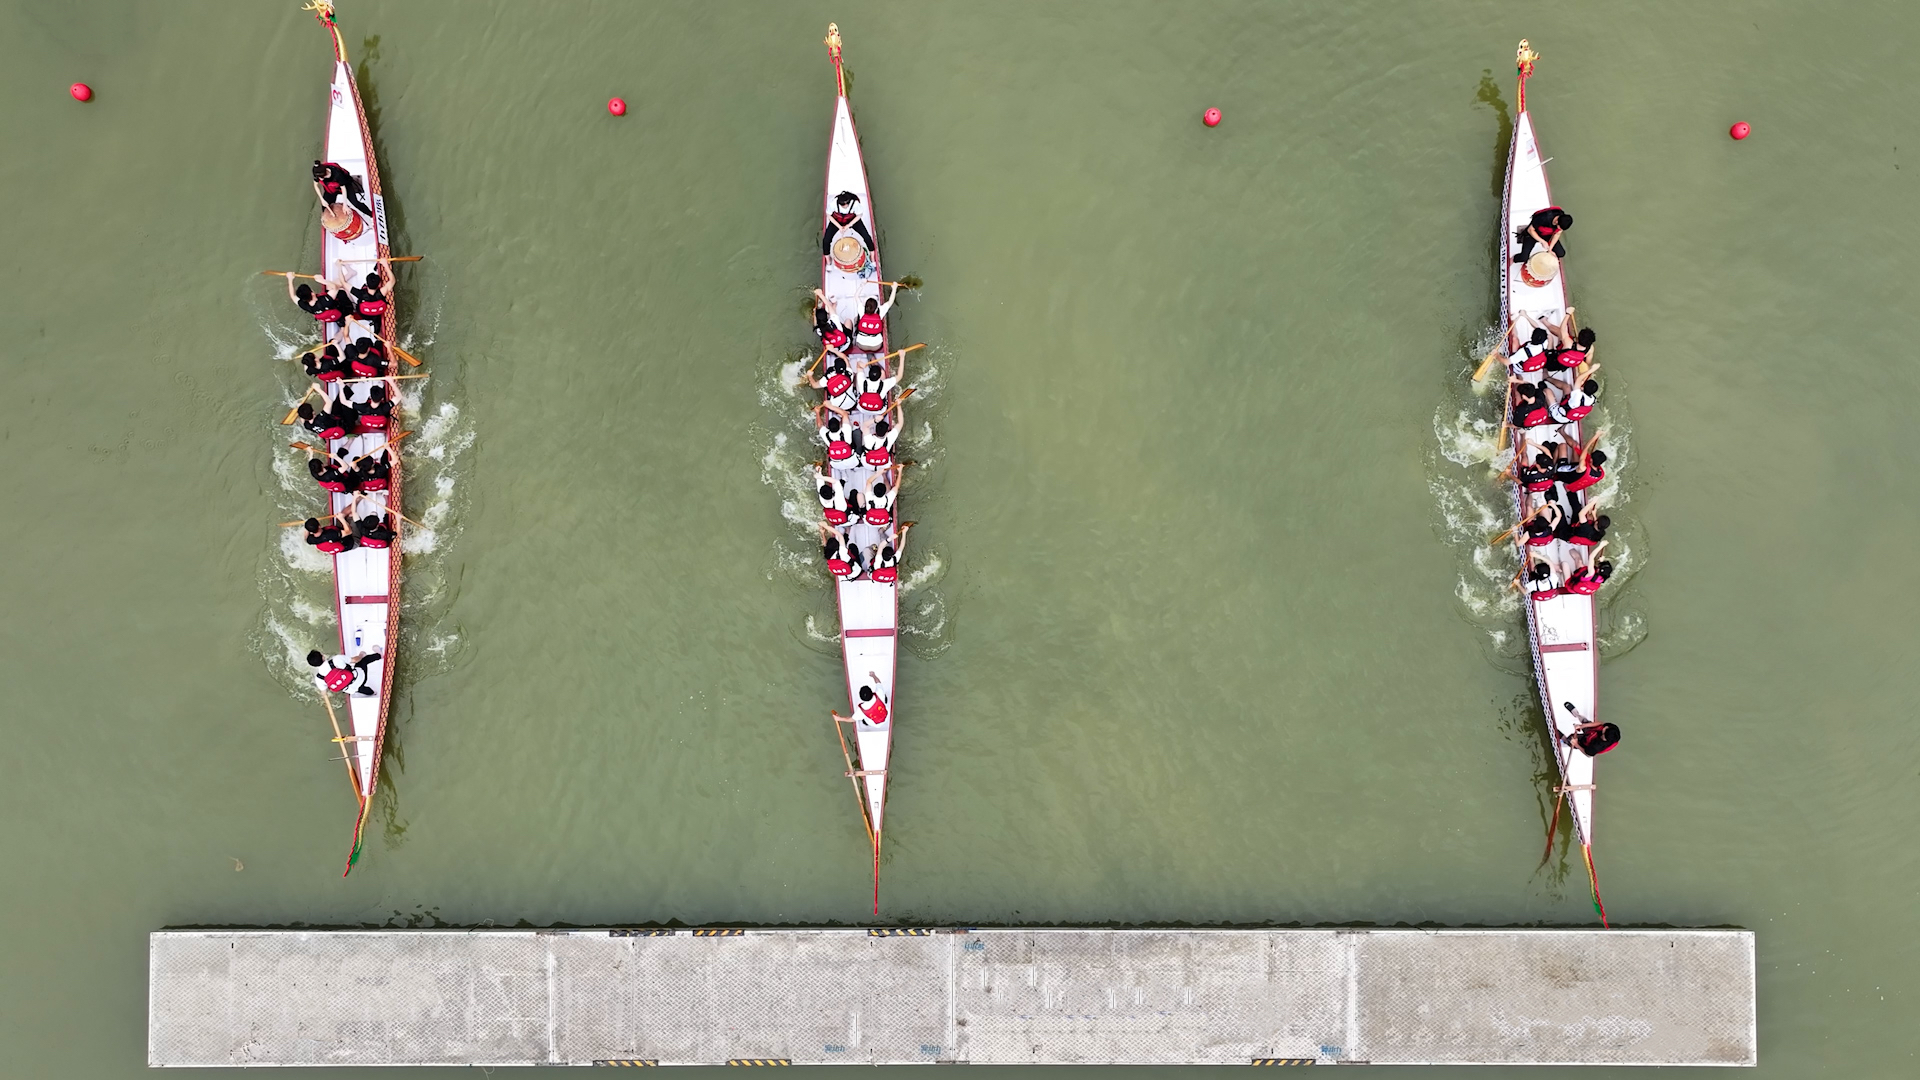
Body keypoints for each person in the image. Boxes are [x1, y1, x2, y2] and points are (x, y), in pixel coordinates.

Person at [821, 190, 876, 256]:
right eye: (841, 205)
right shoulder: (833, 203)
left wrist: (848, 225)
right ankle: (827, 258)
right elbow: (828, 215)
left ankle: (872, 255)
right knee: (826, 240)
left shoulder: (855, 204)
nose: (843, 206)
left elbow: (859, 215)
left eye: (845, 204)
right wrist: (839, 227)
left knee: (867, 237)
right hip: (837, 220)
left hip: (852, 220)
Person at [307, 648, 381, 696]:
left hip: (352, 689)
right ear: (322, 656)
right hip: (360, 677)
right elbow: (355, 660)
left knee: (359, 688)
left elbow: (324, 693)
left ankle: (373, 693)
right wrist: (361, 655)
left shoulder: (319, 678)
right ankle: (380, 655)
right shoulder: (336, 659)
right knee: (364, 660)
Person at [850, 284, 899, 353]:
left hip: (861, 345)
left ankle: (869, 354)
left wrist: (862, 285)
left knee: (856, 319)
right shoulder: (880, 311)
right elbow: (890, 302)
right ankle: (871, 354)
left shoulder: (861, 310)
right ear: (876, 309)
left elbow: (856, 296)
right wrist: (894, 288)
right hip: (876, 346)